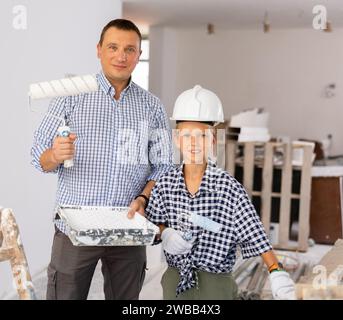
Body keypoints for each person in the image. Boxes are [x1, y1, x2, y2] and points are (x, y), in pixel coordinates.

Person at [31, 19, 172, 300]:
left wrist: (144, 198)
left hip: (128, 226)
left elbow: (164, 165)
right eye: (113, 47)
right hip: (75, 229)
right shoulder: (70, 96)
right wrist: (55, 155)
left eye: (129, 49)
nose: (121, 56)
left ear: (139, 55)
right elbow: (38, 157)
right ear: (98, 50)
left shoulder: (152, 106)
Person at [145, 85, 296, 300]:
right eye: (187, 136)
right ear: (177, 140)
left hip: (216, 284)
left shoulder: (227, 187)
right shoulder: (165, 184)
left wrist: (276, 270)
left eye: (202, 136)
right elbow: (151, 225)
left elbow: (254, 233)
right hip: (175, 280)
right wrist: (165, 233)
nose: (194, 143)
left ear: (213, 141)